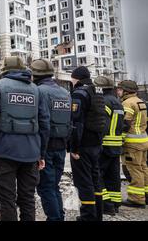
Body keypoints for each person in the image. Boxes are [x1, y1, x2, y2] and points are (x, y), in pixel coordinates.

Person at [0, 56, 50, 221]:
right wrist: (41, 154)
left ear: (4, 70)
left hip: (5, 153)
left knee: (7, 201)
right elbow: (44, 124)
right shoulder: (36, 90)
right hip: (31, 154)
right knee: (28, 199)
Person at [31, 59, 71, 221]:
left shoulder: (39, 91)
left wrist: (39, 152)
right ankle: (59, 216)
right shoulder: (65, 92)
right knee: (54, 186)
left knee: (46, 187)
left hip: (46, 146)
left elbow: (42, 122)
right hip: (61, 146)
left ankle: (55, 218)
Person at [69, 66, 107, 221]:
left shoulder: (79, 93)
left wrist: (74, 148)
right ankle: (98, 214)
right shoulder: (97, 92)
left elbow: (76, 124)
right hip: (96, 143)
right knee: (95, 179)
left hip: (83, 145)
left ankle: (87, 216)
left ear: (76, 78)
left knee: (84, 181)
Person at [94, 76, 125, 215]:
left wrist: (95, 140)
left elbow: (103, 126)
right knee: (113, 176)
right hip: (116, 145)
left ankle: (106, 205)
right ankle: (115, 204)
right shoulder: (118, 102)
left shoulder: (104, 101)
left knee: (98, 175)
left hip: (105, 145)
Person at [116, 80, 148, 209]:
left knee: (134, 170)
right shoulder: (140, 101)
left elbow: (125, 124)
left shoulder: (127, 103)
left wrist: (120, 141)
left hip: (132, 143)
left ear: (126, 91)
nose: (118, 91)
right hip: (143, 140)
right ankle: (145, 195)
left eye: (120, 89)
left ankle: (136, 199)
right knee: (143, 168)